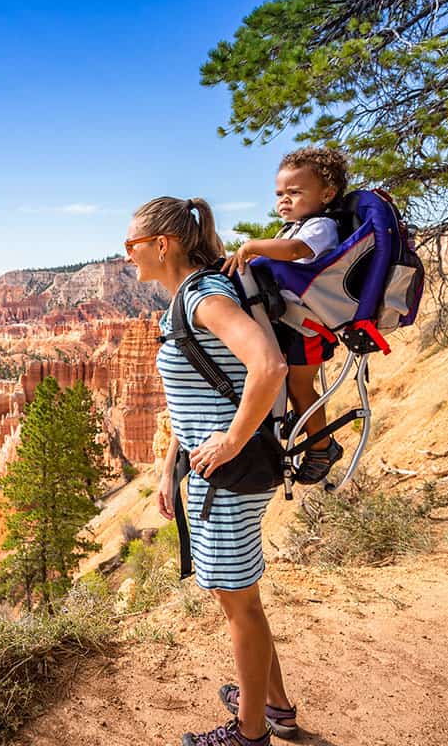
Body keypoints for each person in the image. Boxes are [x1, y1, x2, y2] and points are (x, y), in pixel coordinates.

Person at [127, 196, 296, 746]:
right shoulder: (186, 299)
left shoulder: (203, 296)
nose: (127, 256)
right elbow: (194, 395)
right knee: (242, 595)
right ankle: (273, 706)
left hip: (227, 474)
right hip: (211, 470)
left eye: (132, 245)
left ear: (162, 244)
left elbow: (267, 365)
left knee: (236, 601)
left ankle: (249, 734)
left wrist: (229, 441)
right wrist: (168, 468)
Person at [222, 147, 350, 483]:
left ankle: (323, 446)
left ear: (327, 193)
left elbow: (296, 253)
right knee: (289, 382)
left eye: (295, 192)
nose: (284, 200)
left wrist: (251, 247)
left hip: (306, 328)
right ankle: (301, 424)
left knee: (299, 384)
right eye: (280, 193)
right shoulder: (294, 228)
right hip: (292, 323)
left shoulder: (321, 226)